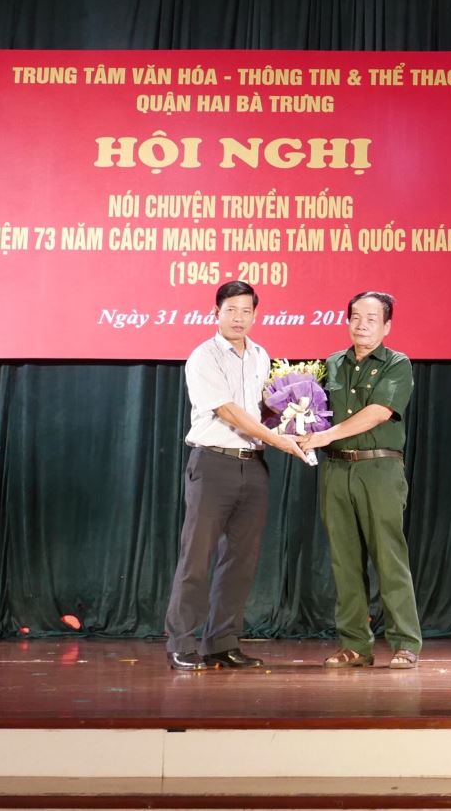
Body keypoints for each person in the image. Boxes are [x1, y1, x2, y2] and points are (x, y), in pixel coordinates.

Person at [164, 280, 304, 671]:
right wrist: (277, 440)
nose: (238, 318)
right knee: (197, 557)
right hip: (214, 464)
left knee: (241, 559)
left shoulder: (260, 355)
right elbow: (228, 411)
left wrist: (297, 417)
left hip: (254, 466)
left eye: (246, 311)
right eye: (231, 310)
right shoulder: (203, 357)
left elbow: (264, 408)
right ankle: (181, 643)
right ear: (216, 313)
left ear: (255, 315)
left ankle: (222, 642)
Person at [302, 291, 421, 669]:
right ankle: (355, 644)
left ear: (387, 326)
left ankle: (405, 643)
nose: (362, 325)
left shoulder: (397, 364)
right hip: (336, 470)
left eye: (371, 319)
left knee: (388, 556)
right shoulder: (332, 363)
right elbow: (314, 409)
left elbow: (379, 412)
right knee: (344, 560)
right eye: (355, 317)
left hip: (379, 469)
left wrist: (325, 435)